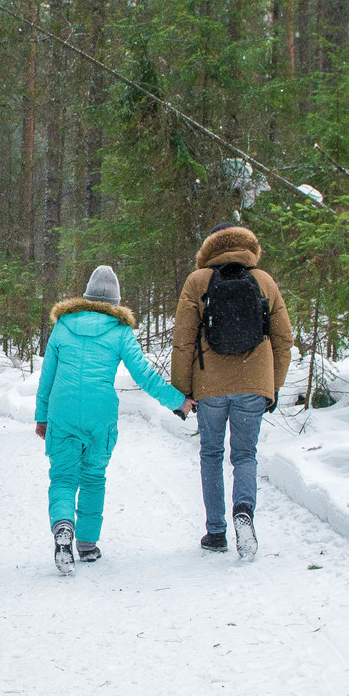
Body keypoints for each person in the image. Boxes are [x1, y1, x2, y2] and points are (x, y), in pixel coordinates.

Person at [34, 265, 186, 572]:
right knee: (92, 477)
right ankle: (87, 545)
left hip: (62, 410)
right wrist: (178, 401)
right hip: (100, 413)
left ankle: (63, 525)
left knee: (63, 477)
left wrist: (41, 417)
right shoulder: (119, 331)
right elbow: (144, 375)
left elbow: (47, 376)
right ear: (115, 301)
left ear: (87, 295)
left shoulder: (62, 326)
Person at [169, 222, 295, 560]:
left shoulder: (197, 282)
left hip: (209, 384)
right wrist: (273, 385)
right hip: (254, 384)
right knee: (244, 455)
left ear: (209, 248)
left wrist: (181, 393)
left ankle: (216, 531)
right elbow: (284, 340)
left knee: (211, 453)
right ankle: (244, 511)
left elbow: (183, 341)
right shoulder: (265, 281)